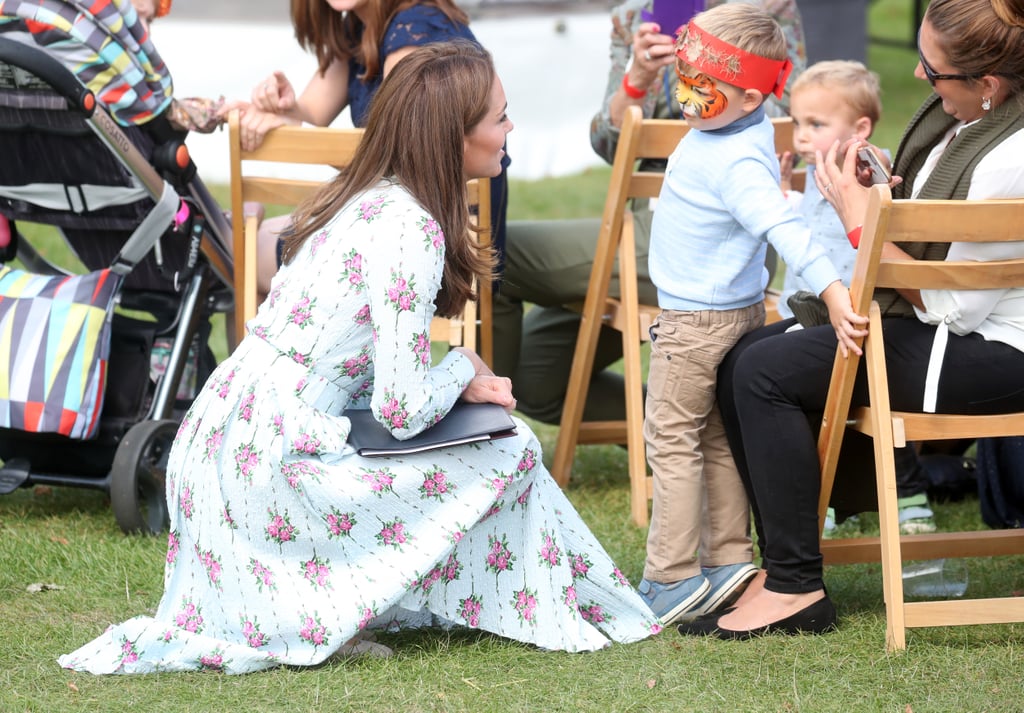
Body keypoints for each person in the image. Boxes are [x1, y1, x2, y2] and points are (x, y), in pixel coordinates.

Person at [57, 41, 662, 675]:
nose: (511, 129)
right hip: (270, 467)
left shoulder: (367, 197)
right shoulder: (413, 229)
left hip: (221, 443)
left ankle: (471, 596)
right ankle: (564, 601)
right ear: (455, 137)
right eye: (500, 117)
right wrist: (464, 370)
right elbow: (401, 411)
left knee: (491, 444)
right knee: (509, 448)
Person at [682, 0, 1024, 640]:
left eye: (933, 68)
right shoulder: (970, 125)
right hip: (946, 327)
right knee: (746, 359)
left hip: (993, 352)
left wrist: (858, 215)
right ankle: (788, 565)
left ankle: (794, 586)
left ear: (989, 85)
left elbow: (949, 303)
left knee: (764, 373)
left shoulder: (1011, 157)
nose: (919, 77)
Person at [632, 3, 859, 626]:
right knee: (710, 437)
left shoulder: (731, 159)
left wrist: (835, 294)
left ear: (751, 94)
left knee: (670, 439)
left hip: (694, 323)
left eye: (700, 88)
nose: (684, 96)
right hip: (729, 314)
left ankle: (670, 576)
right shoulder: (737, 129)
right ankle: (728, 561)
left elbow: (787, 230)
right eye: (683, 78)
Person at [492, 0, 805, 426]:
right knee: (533, 379)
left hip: (725, 226)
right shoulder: (633, 18)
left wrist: (723, 68)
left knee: (489, 250)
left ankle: (482, 428)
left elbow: (799, 126)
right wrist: (638, 80)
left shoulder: (763, 11)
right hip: (649, 222)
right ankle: (697, 425)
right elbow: (607, 145)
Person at [220, 0, 508, 305]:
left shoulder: (413, 31)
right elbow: (311, 111)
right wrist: (278, 110)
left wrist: (290, 129)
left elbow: (402, 152)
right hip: (400, 217)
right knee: (245, 245)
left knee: (242, 250)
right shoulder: (359, 26)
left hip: (438, 237)